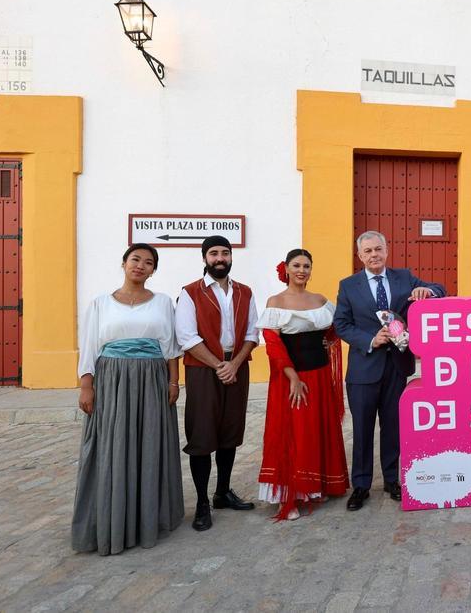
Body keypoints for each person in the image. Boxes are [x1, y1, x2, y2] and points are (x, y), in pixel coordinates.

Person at [72, 243, 184, 555]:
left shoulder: (162, 302)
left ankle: (147, 518)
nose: (140, 266)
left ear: (153, 270)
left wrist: (174, 382)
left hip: (152, 380)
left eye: (148, 262)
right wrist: (86, 385)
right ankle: (112, 518)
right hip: (112, 381)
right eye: (135, 259)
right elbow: (90, 347)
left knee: (149, 444)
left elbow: (171, 347)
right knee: (113, 446)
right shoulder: (99, 304)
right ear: (123, 263)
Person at [333, 231, 445, 511]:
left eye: (378, 249)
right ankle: (361, 486)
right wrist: (370, 340)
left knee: (393, 428)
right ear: (359, 255)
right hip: (363, 369)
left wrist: (427, 291)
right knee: (362, 430)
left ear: (386, 250)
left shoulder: (404, 278)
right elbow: (341, 324)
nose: (374, 255)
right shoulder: (348, 286)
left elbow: (441, 290)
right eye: (368, 251)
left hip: (396, 368)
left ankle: (393, 480)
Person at [256, 249, 349, 520]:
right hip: (290, 378)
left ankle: (315, 485)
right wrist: (293, 377)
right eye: (296, 265)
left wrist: (326, 340)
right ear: (286, 268)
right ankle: (292, 493)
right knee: (293, 432)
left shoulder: (320, 300)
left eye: (306, 266)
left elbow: (334, 329)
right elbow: (273, 345)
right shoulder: (276, 301)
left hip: (319, 376)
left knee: (316, 429)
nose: (301, 270)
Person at [175, 235, 260, 532]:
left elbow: (253, 333)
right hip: (203, 369)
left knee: (230, 430)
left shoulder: (245, 292)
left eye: (225, 252)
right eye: (214, 253)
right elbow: (186, 337)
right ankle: (201, 502)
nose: (220, 258)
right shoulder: (189, 293)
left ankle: (222, 492)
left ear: (231, 257)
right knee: (202, 434)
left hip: (236, 367)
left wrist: (234, 364)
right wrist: (218, 365)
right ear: (204, 258)